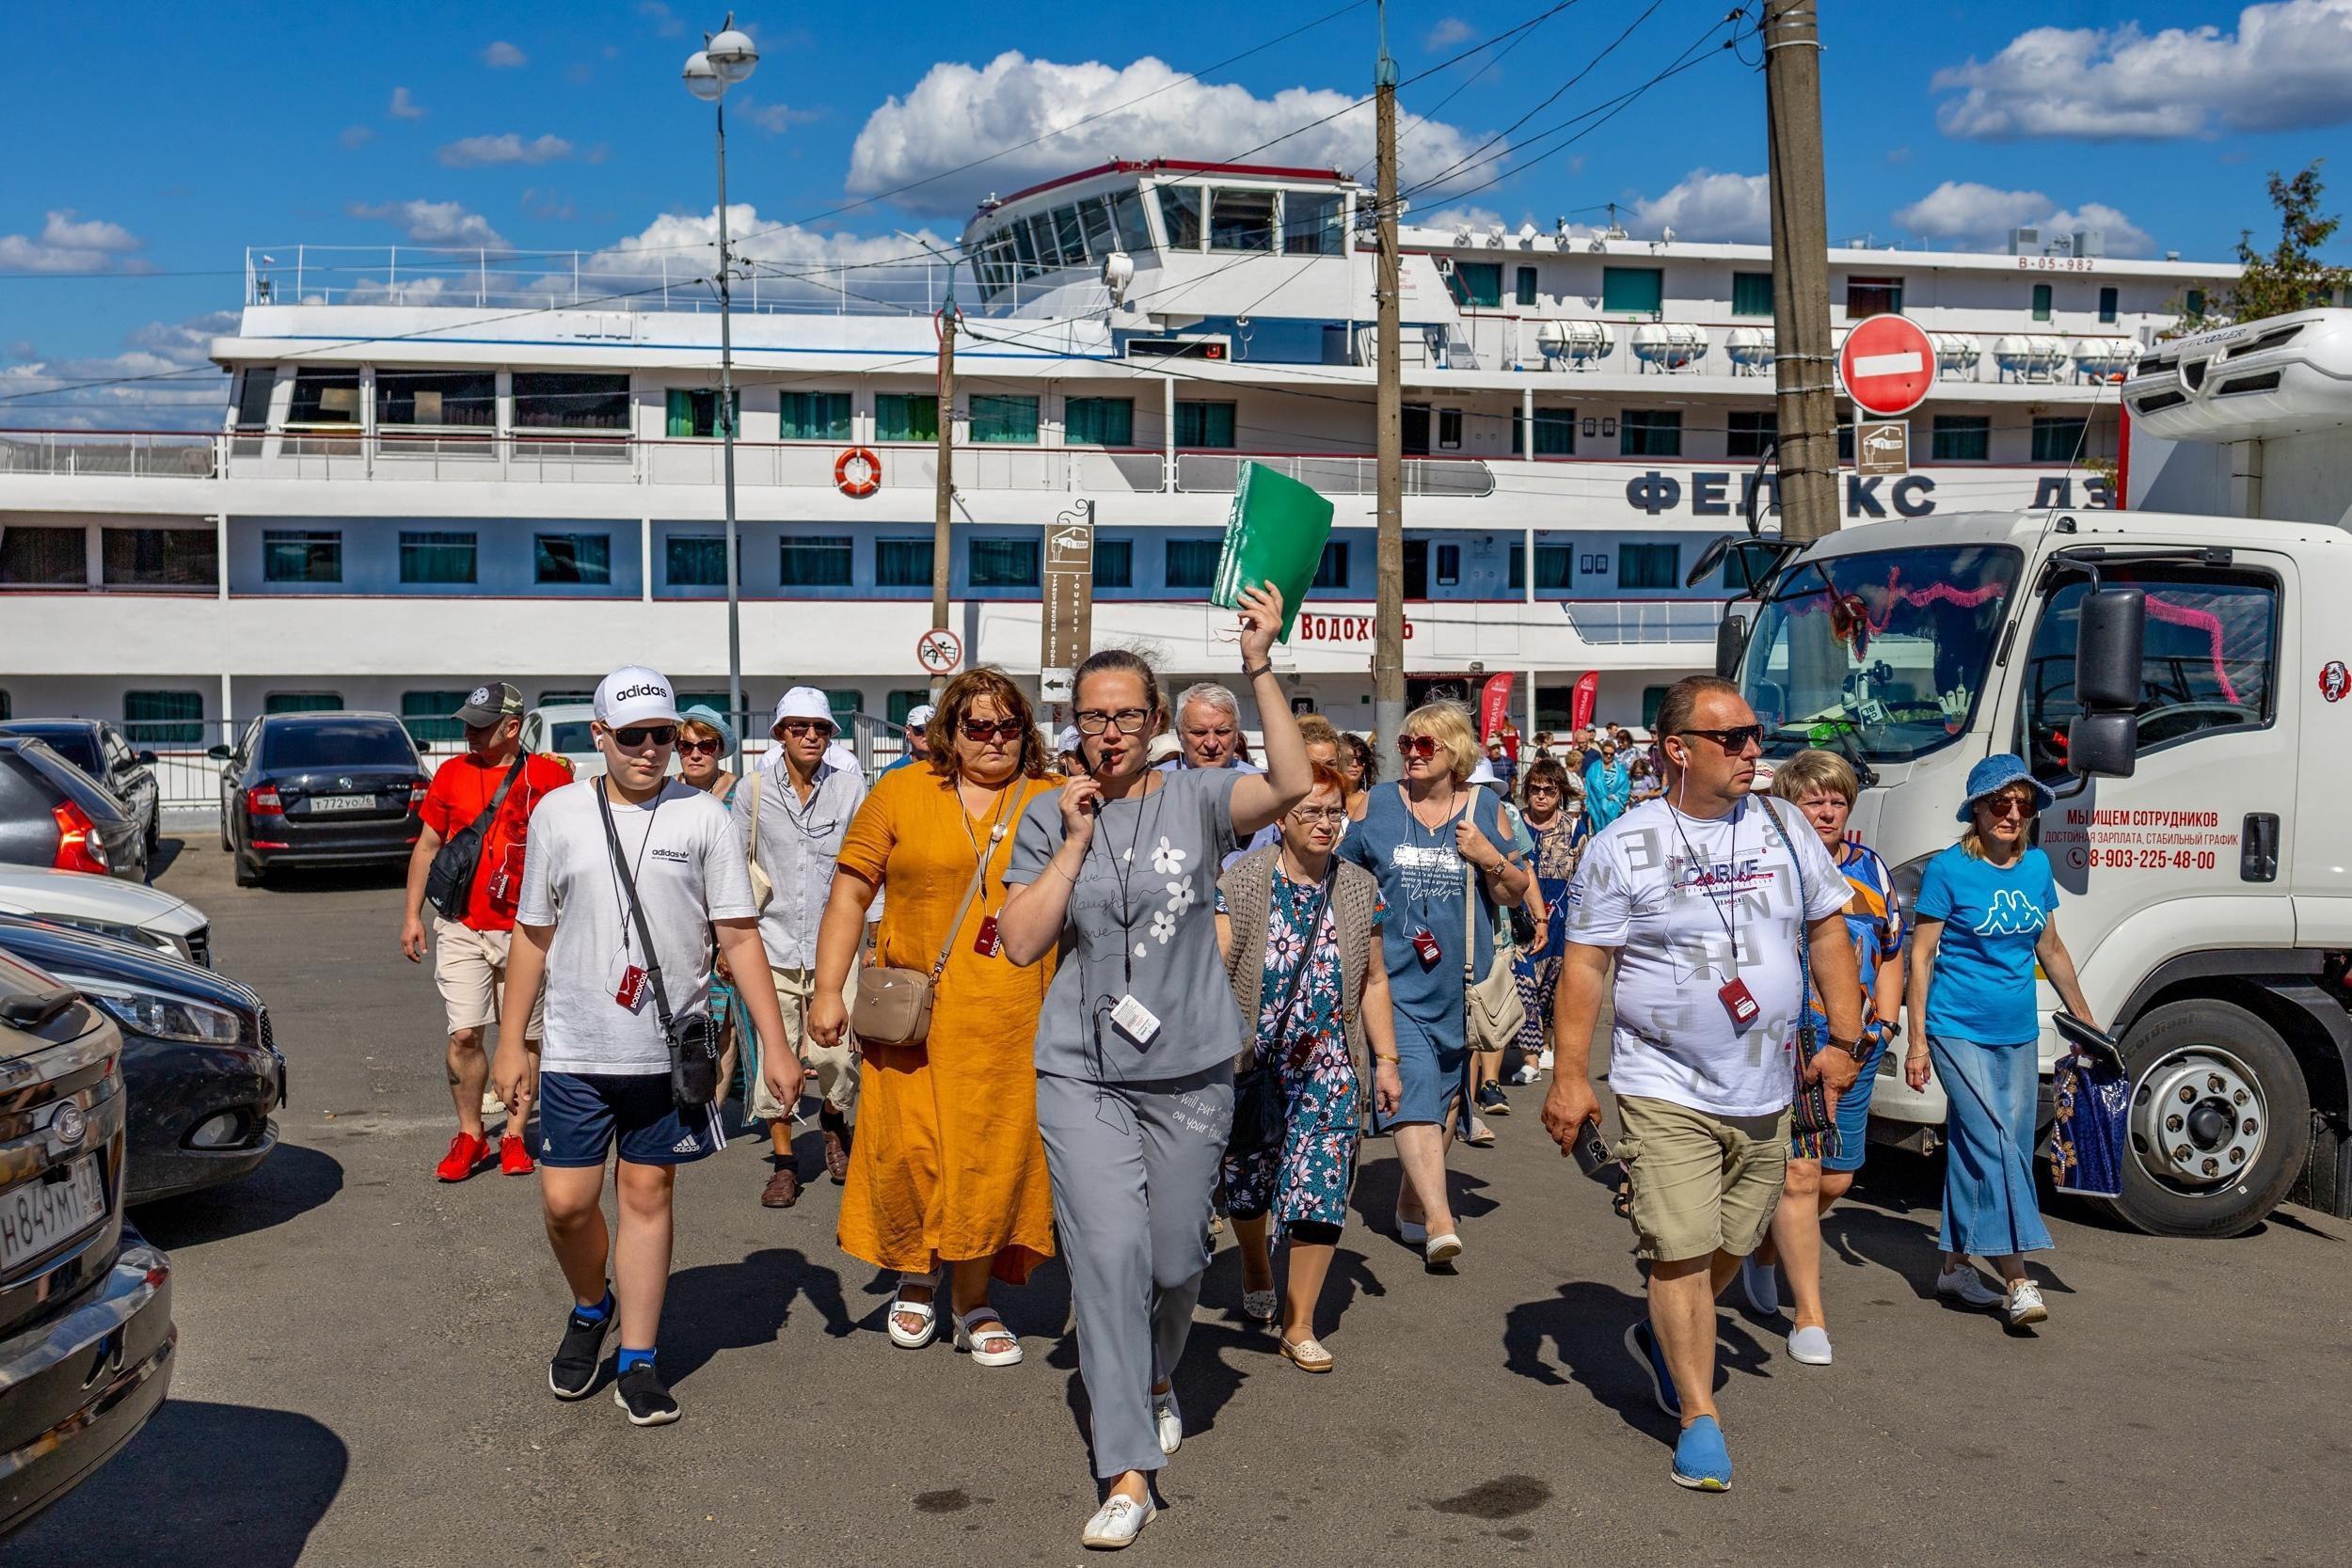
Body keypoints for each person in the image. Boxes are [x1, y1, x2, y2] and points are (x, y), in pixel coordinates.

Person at [997, 586, 1309, 1551]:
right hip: (1079, 1070)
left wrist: (1259, 665)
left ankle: (1158, 1372)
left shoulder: (1201, 795)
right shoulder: (1053, 814)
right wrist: (1076, 838)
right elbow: (1017, 940)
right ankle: (1128, 1465)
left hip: (1190, 1068)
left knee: (1176, 1259)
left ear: (1157, 720)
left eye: (1129, 713)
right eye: (1093, 716)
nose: (1111, 730)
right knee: (1109, 1256)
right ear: (1075, 726)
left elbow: (1291, 785)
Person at [1539, 674, 1862, 1493]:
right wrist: (1571, 1077)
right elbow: (1584, 967)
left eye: (1757, 733)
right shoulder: (1624, 844)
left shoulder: (1786, 826)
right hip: (1662, 1083)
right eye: (1735, 738)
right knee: (1679, 1250)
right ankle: (1696, 1412)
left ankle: (1660, 1331)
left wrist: (1848, 1035)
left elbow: (1828, 927)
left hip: (1765, 1086)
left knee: (1732, 1239)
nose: (1755, 749)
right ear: (1676, 751)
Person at [492, 666, 799, 1426]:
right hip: (574, 1047)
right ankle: (592, 1303)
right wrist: (511, 1042)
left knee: (647, 1193)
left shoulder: (703, 817)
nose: (651, 749)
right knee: (566, 1203)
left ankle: (638, 1357)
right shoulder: (560, 813)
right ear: (600, 737)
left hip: (669, 1051)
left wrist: (778, 1042)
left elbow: (738, 934)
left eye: (664, 734)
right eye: (633, 737)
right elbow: (532, 935)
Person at [806, 670, 1061, 1363]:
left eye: (1010, 726)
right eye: (979, 726)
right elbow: (850, 893)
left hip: (1014, 1021)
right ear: (950, 730)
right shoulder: (903, 790)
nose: (996, 739)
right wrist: (829, 989)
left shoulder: (1053, 797)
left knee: (991, 1158)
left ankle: (972, 1298)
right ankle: (916, 1276)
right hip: (913, 1020)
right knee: (909, 1151)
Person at [1216, 762, 1399, 1370]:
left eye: (1334, 812)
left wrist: (1388, 1059)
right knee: (1247, 1187)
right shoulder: (1241, 883)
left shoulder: (1359, 887)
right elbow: (1214, 970)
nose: (1324, 824)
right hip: (1255, 1063)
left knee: (1320, 1190)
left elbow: (1373, 979)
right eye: (1311, 811)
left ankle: (1299, 1322)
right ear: (1281, 815)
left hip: (1330, 1064)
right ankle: (1253, 1259)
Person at [1339, 701, 1530, 1266]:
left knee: (1445, 1097)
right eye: (1406, 745)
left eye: (1426, 746)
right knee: (1416, 1085)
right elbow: (1340, 874)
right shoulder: (1373, 805)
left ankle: (1409, 1204)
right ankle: (1442, 1219)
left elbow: (1513, 891)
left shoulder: (1485, 806)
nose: (1413, 755)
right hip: (1390, 980)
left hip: (1459, 982)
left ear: (1455, 754)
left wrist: (1490, 857)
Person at [1906, 753, 2094, 1329]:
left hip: (2015, 1029)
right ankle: (2016, 1276)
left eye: (2024, 804)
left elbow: (2051, 949)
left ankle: (1953, 1265)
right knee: (1995, 1141)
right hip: (1955, 1026)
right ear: (1977, 811)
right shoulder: (1948, 870)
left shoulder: (2037, 867)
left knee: (1979, 1145)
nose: (2012, 814)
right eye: (1999, 804)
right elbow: (1921, 956)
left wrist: (2087, 1024)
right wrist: (1916, 1042)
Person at [1740, 750, 1906, 1365]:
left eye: (1838, 799)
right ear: (1790, 805)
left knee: (1836, 1177)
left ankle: (1762, 1252)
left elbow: (1892, 949)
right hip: (1790, 1043)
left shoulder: (1869, 869)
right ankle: (1809, 1315)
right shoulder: (1764, 869)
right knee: (1801, 1173)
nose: (1829, 809)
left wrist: (1882, 1026)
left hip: (1853, 1045)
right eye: (1815, 799)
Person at [401, 680, 574, 1181]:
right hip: (463, 926)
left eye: (480, 726)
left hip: (530, 931)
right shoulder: (451, 775)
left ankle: (516, 1136)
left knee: (526, 1038)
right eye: (468, 725)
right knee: (465, 1034)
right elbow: (427, 847)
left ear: (513, 727)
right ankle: (472, 1134)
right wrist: (412, 916)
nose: (470, 735)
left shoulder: (547, 778)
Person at [736, 688, 867, 1208]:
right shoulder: (754, 789)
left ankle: (833, 1119)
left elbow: (867, 869)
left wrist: (873, 941)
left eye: (821, 728)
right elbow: (733, 868)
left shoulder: (850, 787)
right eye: (798, 727)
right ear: (779, 733)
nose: (811, 735)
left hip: (837, 945)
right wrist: (729, 939)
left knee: (839, 1056)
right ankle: (786, 1161)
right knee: (778, 1053)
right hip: (770, 941)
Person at [676, 705, 744, 1102]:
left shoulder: (744, 792)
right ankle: (680, 1101)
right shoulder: (665, 791)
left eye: (707, 745)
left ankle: (713, 1114)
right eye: (686, 745)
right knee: (678, 1019)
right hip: (678, 922)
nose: (696, 753)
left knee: (723, 1021)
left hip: (727, 922)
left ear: (721, 749)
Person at [1508, 757, 1585, 1084]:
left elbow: (1585, 877)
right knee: (1522, 981)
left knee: (1552, 990)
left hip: (1561, 919)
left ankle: (1545, 1044)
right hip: (1520, 919)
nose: (1541, 796)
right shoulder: (1512, 824)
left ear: (1560, 793)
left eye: (1549, 791)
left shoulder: (1574, 828)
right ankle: (1530, 1059)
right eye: (1535, 790)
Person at [1583, 737, 1632, 831]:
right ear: (1602, 752)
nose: (1608, 756)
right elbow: (1588, 787)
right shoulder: (1593, 768)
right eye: (1606, 753)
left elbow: (1625, 790)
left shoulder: (1620, 770)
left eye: (1611, 754)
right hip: (1596, 807)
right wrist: (1586, 803)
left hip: (1614, 809)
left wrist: (1614, 797)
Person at [880, 704, 936, 775]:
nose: (927, 734)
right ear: (908, 730)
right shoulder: (891, 773)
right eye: (921, 728)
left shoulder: (949, 769)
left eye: (933, 729)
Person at [1335, 731, 1377, 821]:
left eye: (1361, 759)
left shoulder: (1370, 798)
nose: (1355, 764)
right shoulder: (1328, 796)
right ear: (1337, 760)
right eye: (1348, 759)